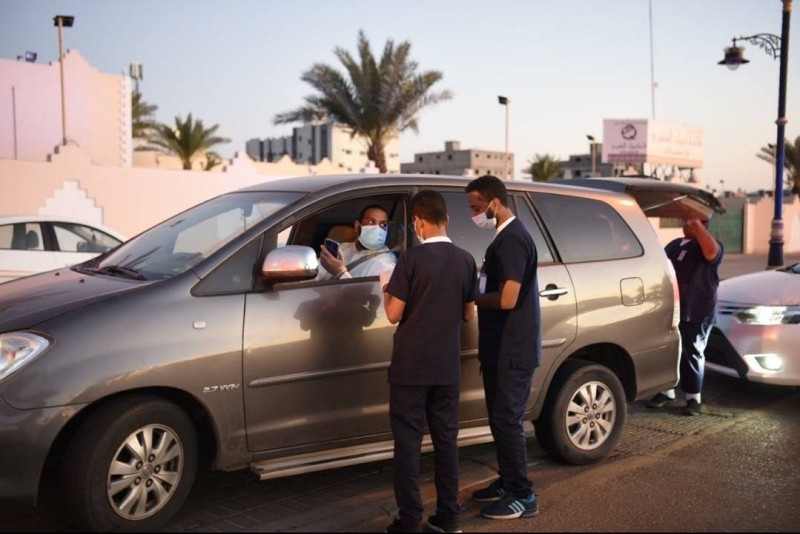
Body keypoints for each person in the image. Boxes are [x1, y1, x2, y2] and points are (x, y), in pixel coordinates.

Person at [382, 190, 477, 534]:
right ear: (446, 220)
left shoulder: (410, 259)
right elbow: (468, 313)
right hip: (446, 366)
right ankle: (448, 517)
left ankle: (410, 521)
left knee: (408, 445)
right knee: (446, 442)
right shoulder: (466, 260)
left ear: (418, 222)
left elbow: (393, 314)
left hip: (410, 366)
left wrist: (385, 290)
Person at [464, 175, 542, 521]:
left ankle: (523, 495)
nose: (473, 214)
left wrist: (470, 296)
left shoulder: (512, 240)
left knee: (507, 421)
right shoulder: (502, 237)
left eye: (477, 207)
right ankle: (507, 481)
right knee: (499, 419)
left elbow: (508, 298)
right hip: (499, 348)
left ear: (495, 203)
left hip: (513, 349)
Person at [648, 216, 723, 416]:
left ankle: (693, 398)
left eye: (692, 221)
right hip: (671, 308)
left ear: (704, 224)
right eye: (686, 221)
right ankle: (666, 391)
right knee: (667, 350)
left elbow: (711, 253)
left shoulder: (710, 245)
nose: (686, 224)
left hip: (697, 310)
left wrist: (697, 223)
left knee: (692, 353)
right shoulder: (675, 245)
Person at [318, 204, 397, 280]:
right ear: (357, 226)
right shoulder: (343, 247)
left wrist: (341, 273)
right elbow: (317, 273)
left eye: (383, 224)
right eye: (371, 222)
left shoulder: (386, 263)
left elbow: (371, 290)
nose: (377, 229)